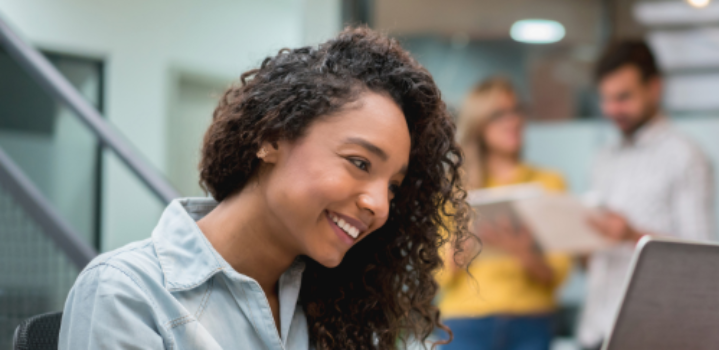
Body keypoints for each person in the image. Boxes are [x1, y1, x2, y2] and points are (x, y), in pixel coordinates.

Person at [58, 27, 473, 349]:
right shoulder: (127, 294)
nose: (379, 205)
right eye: (359, 163)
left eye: (394, 188)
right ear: (271, 138)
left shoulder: (329, 304)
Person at [575, 40, 716, 349]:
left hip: (649, 335)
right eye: (606, 99)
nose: (612, 109)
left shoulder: (685, 156)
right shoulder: (603, 158)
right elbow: (595, 259)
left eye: (623, 97)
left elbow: (702, 260)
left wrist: (631, 234)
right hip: (594, 330)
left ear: (654, 88)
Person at [436, 76, 573, 350]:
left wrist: (524, 252)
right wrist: (468, 241)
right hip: (466, 323)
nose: (513, 121)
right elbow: (439, 274)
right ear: (479, 123)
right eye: (499, 114)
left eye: (517, 110)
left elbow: (558, 275)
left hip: (531, 322)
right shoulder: (453, 190)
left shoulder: (549, 183)